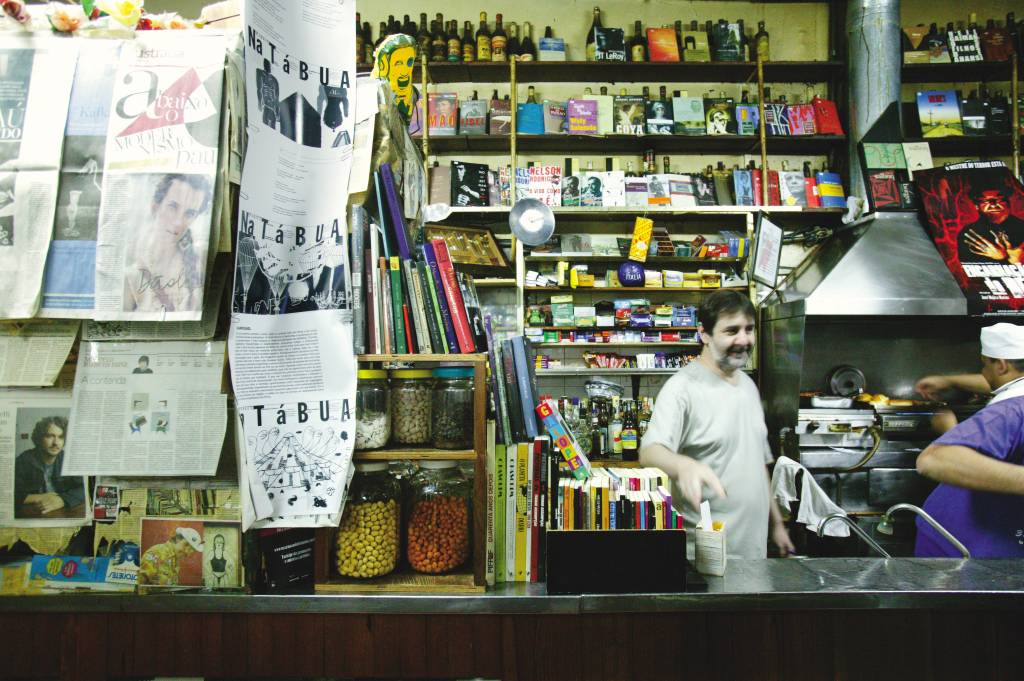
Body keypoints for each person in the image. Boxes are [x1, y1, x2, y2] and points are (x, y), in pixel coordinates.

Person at [639, 290, 794, 558]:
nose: (744, 340)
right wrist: (683, 465)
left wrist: (777, 525)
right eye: (731, 331)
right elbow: (649, 451)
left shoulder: (748, 386)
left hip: (754, 552)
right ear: (704, 334)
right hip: (707, 557)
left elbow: (758, 465)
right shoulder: (682, 388)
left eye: (749, 329)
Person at [912, 323, 1024, 558]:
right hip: (975, 539)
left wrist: (951, 431)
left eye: (985, 364)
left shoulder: (1008, 411)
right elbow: (1001, 380)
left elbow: (934, 459)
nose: (983, 372)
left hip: (962, 543)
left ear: (1001, 365)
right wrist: (949, 381)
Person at [123, 174, 211, 314]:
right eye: (173, 207)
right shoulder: (131, 274)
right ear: (155, 206)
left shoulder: (200, 259)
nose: (178, 222)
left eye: (189, 214)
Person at [14, 416, 85, 517]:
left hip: (63, 513)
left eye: (60, 437)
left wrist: (62, 499)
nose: (56, 443)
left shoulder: (69, 459)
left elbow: (84, 488)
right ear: (39, 438)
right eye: (49, 436)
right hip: (35, 514)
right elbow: (11, 494)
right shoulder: (23, 460)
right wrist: (40, 497)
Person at [958, 184, 1024, 265]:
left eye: (999, 199)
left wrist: (1017, 261)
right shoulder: (969, 233)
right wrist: (1003, 258)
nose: (992, 204)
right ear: (976, 206)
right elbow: (967, 269)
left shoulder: (1021, 227)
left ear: (1008, 203)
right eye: (984, 200)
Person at [138, 527, 204, 586]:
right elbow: (140, 586)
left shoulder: (175, 559)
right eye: (186, 545)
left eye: (191, 550)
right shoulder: (156, 553)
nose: (187, 552)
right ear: (178, 539)